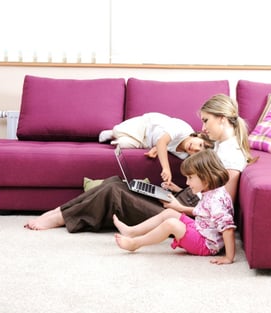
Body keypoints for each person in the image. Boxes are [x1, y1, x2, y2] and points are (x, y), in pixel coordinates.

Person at [24, 94, 255, 232]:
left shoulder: (231, 154)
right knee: (115, 181)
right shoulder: (220, 145)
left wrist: (180, 207)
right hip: (182, 200)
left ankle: (60, 218)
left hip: (186, 214)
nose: (202, 128)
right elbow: (208, 190)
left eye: (206, 121)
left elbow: (222, 206)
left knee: (114, 193)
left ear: (221, 119)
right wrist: (179, 190)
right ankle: (60, 211)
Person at [113, 149, 236, 264]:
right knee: (169, 213)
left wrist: (228, 257)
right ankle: (131, 232)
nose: (187, 182)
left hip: (206, 245)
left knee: (171, 224)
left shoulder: (215, 201)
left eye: (190, 178)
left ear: (206, 177)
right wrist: (180, 208)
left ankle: (135, 243)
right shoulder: (213, 192)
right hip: (201, 230)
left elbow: (228, 229)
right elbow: (204, 212)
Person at [99, 112, 211, 183]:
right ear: (199, 136)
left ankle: (117, 137)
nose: (195, 148)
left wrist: (156, 149)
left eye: (197, 152)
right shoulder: (183, 129)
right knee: (118, 131)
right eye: (200, 144)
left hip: (147, 142)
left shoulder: (183, 155)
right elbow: (162, 141)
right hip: (146, 126)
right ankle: (112, 133)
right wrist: (166, 169)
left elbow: (166, 146)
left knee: (122, 144)